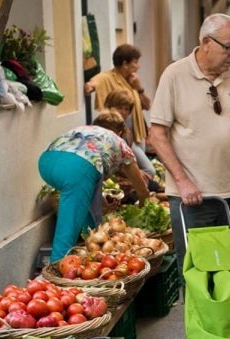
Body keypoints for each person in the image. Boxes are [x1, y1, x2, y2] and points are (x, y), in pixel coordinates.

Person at [148, 13, 230, 270]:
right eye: (228, 47)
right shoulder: (174, 75)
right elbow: (157, 134)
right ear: (206, 42)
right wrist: (183, 182)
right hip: (193, 196)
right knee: (199, 273)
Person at [38, 109, 149, 262]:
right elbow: (142, 189)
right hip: (76, 167)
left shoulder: (88, 130)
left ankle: (88, 259)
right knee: (68, 228)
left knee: (89, 224)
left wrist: (101, 199)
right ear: (122, 131)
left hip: (47, 161)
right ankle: (57, 270)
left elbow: (90, 179)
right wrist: (143, 206)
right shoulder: (121, 145)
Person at [84, 44, 151, 159]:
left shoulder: (133, 80)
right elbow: (93, 83)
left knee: (138, 170)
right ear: (125, 64)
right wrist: (90, 86)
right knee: (143, 168)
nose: (138, 66)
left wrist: (139, 88)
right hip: (121, 134)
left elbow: (147, 105)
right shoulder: (108, 77)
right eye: (135, 62)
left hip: (138, 132)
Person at [103, 89, 160, 193]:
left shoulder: (125, 129)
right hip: (109, 173)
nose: (123, 112)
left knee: (150, 182)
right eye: (119, 108)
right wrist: (135, 174)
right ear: (109, 106)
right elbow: (111, 162)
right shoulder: (105, 124)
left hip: (122, 169)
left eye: (126, 109)